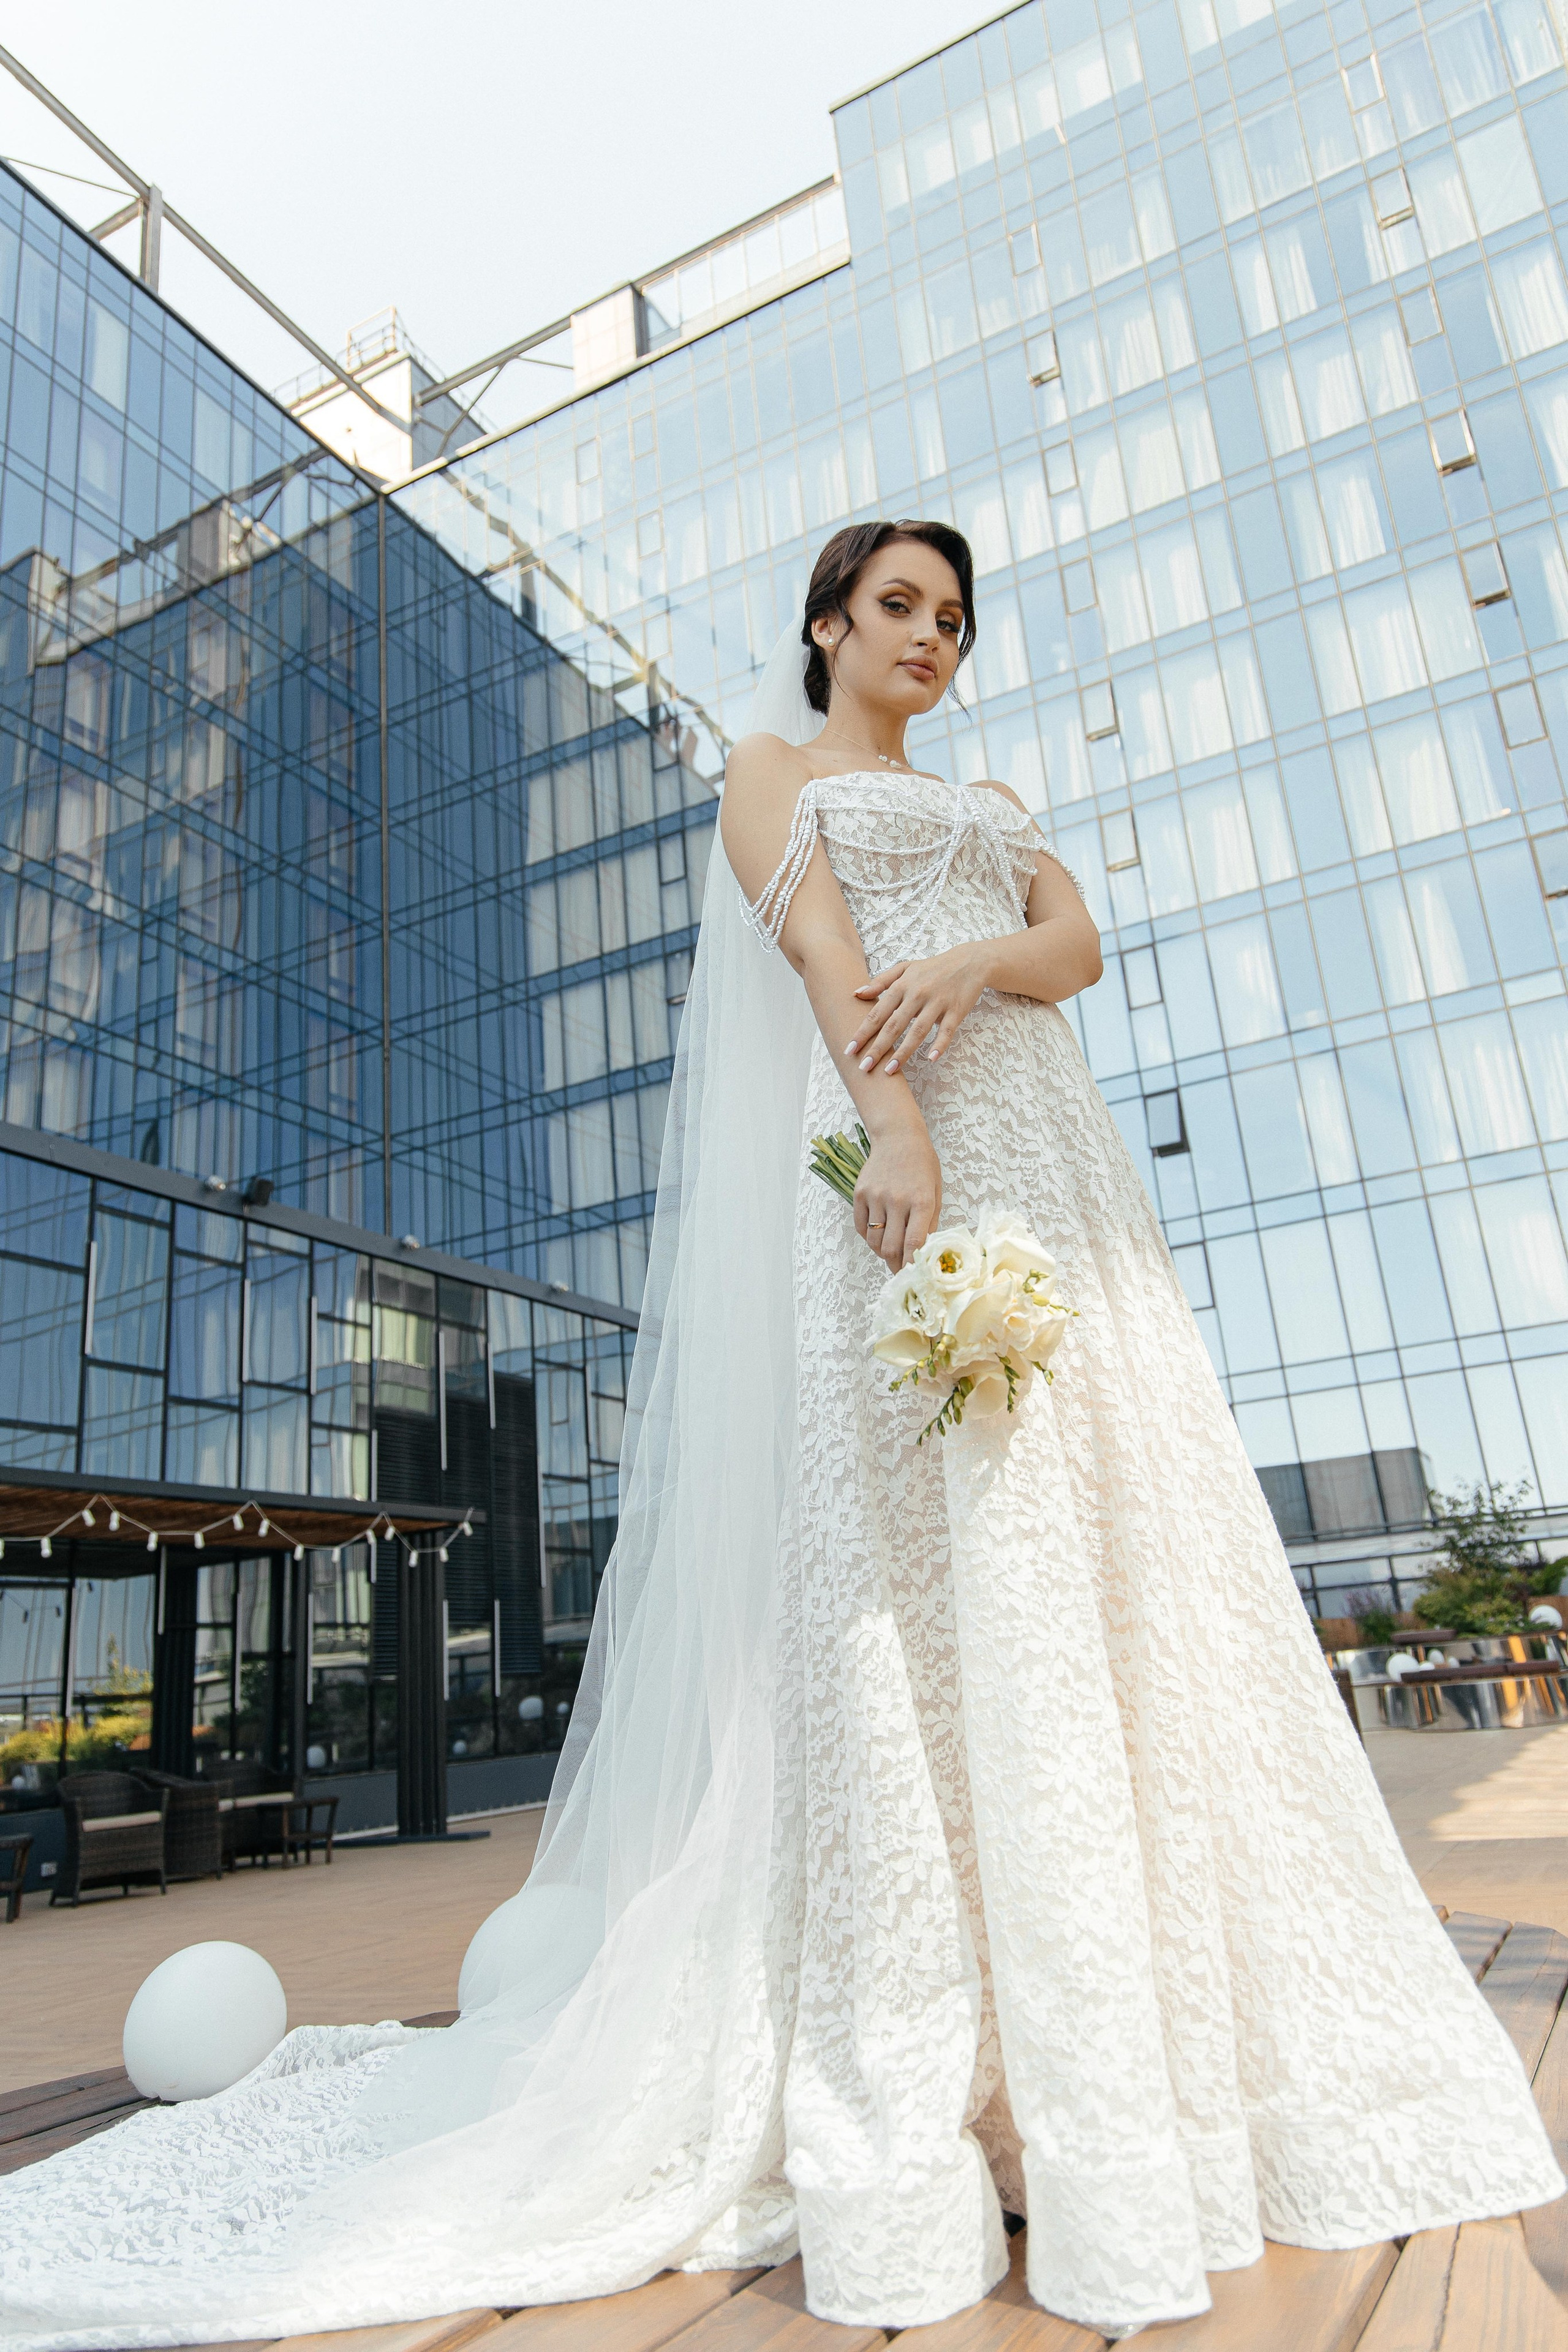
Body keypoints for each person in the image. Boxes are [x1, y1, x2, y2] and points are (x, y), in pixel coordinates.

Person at [0, 521, 1559, 2350]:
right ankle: (943, 2090)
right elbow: (822, 954)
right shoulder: (770, 773)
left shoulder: (983, 791)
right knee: (916, 1588)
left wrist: (976, 960)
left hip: (1055, 1171)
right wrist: (896, 1132)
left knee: (1109, 1565)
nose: (930, 638)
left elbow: (1080, 942)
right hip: (907, 1166)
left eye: (954, 619)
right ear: (827, 624)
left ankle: (1122, 2069)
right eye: (898, 607)